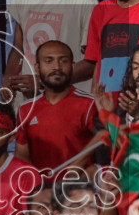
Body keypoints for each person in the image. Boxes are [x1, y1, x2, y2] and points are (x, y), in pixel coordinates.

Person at [12, 40, 95, 171]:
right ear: (37, 68)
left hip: (79, 188)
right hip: (41, 189)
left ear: (73, 66)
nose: (57, 66)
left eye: (63, 61)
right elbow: (22, 162)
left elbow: (104, 155)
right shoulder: (25, 109)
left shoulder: (90, 105)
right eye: (49, 61)